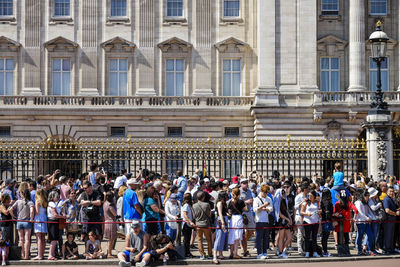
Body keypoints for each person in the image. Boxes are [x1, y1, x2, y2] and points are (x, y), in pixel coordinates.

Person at [9, 188, 34, 260]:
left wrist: (13, 216)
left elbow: (10, 209)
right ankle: (26, 256)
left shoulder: (18, 201)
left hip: (19, 221)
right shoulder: (30, 202)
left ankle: (22, 255)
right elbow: (32, 211)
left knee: (21, 240)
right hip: (27, 221)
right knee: (27, 239)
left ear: (22, 194)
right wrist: (31, 219)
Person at [333, 189, 358, 256]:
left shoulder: (337, 203)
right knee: (346, 238)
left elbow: (334, 213)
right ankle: (347, 252)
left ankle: (340, 252)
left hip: (339, 223)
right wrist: (354, 218)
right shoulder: (349, 203)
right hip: (346, 223)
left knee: (339, 238)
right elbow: (356, 210)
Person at [253, 184, 273, 259]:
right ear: (261, 191)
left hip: (266, 220)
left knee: (266, 237)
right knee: (259, 237)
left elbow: (271, 208)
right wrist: (263, 206)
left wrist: (267, 209)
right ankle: (259, 253)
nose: (265, 194)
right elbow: (255, 209)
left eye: (267, 192)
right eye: (264, 192)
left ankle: (265, 252)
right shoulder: (256, 199)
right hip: (259, 220)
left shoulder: (268, 199)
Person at [227, 187, 248, 259]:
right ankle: (235, 253)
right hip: (238, 218)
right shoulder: (241, 201)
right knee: (237, 237)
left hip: (233, 219)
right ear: (239, 193)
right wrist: (245, 202)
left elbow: (229, 212)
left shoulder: (230, 202)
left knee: (232, 236)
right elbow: (246, 209)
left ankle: (231, 253)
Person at [354, 189, 376, 256]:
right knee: (360, 237)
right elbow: (360, 212)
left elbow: (368, 212)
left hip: (366, 222)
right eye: (367, 196)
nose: (368, 198)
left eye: (369, 196)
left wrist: (372, 218)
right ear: (363, 196)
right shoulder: (358, 202)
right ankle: (359, 250)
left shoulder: (366, 203)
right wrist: (367, 218)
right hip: (360, 222)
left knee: (370, 236)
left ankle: (369, 250)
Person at [47, 190, 67, 260]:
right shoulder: (52, 204)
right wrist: (63, 217)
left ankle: (52, 254)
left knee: (55, 239)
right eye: (56, 196)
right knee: (54, 239)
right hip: (53, 222)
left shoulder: (53, 204)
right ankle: (50, 255)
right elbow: (55, 215)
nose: (57, 197)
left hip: (54, 222)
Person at [192, 191, 212, 260]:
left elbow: (194, 216)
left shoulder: (194, 205)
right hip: (206, 224)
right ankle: (210, 254)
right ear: (203, 197)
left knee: (199, 240)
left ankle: (202, 254)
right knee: (209, 240)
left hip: (198, 225)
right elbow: (209, 214)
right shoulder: (207, 204)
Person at [300, 190, 320, 258]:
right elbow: (301, 212)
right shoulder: (305, 202)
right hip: (307, 221)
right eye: (308, 195)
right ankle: (307, 252)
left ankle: (314, 252)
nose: (309, 197)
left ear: (314, 196)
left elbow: (320, 210)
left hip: (315, 221)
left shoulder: (317, 202)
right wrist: (307, 214)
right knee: (307, 237)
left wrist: (320, 212)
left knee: (314, 237)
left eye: (310, 195)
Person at [274, 188, 292, 259]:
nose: (283, 194)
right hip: (281, 220)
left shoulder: (284, 200)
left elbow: (286, 210)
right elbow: (279, 214)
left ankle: (280, 249)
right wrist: (287, 218)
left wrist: (290, 218)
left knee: (289, 237)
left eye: (284, 193)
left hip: (286, 220)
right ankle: (281, 252)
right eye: (282, 193)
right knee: (281, 237)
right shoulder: (277, 201)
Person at [239, 178, 255, 257]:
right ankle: (244, 249)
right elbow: (236, 201)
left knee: (252, 229)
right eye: (244, 183)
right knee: (242, 233)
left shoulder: (249, 191)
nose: (245, 184)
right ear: (241, 184)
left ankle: (243, 242)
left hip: (249, 212)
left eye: (246, 182)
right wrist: (246, 202)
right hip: (242, 213)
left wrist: (251, 201)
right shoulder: (238, 191)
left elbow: (251, 200)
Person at [213, 191, 229, 264]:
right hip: (221, 220)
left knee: (222, 238)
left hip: (224, 219)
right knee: (219, 238)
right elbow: (220, 213)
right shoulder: (219, 203)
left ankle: (220, 254)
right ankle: (215, 256)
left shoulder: (222, 203)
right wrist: (222, 223)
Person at [383, 187, 400, 254]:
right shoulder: (386, 199)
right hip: (388, 220)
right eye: (390, 191)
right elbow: (387, 210)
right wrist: (395, 213)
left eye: (392, 191)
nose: (391, 193)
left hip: (392, 220)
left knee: (391, 235)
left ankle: (391, 248)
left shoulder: (391, 199)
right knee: (388, 235)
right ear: (387, 192)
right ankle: (387, 249)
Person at [294, 183, 309, 255]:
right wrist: (302, 202)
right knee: (299, 233)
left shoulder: (308, 196)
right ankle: (300, 249)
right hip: (299, 216)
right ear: (304, 190)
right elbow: (296, 207)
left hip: (306, 216)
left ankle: (305, 247)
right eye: (307, 189)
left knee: (306, 233)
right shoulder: (298, 197)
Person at [33, 189, 48, 260]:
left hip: (38, 219)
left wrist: (32, 209)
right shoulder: (45, 201)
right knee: (43, 238)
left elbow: (37, 212)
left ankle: (39, 255)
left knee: (38, 238)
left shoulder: (37, 201)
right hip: (44, 219)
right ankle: (42, 253)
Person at [104, 191, 118, 258]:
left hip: (106, 221)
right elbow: (115, 214)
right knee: (111, 239)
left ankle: (109, 252)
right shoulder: (110, 205)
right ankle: (109, 254)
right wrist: (115, 205)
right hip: (111, 222)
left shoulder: (104, 203)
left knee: (110, 239)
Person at [181, 193, 195, 258]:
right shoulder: (186, 205)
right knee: (186, 240)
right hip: (186, 224)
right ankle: (187, 253)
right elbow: (185, 214)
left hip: (188, 225)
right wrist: (190, 221)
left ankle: (187, 252)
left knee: (187, 239)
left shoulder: (188, 205)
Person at [320, 188, 333, 257]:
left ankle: (324, 250)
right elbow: (328, 212)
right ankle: (325, 251)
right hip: (327, 220)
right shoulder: (327, 202)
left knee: (324, 237)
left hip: (324, 220)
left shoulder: (323, 201)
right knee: (325, 236)